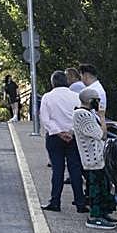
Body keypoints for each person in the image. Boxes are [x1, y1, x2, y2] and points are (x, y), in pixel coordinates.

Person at [38, 70, 85, 213]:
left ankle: (55, 201)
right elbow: (80, 116)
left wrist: (59, 132)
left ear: (53, 83)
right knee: (75, 170)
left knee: (57, 170)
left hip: (54, 138)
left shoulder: (47, 97)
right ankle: (80, 203)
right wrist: (70, 132)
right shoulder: (76, 97)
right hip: (74, 137)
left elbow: (45, 119)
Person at [73, 87, 115, 229]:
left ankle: (102, 213)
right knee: (96, 188)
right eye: (97, 100)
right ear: (91, 101)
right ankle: (95, 216)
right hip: (93, 159)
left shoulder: (86, 114)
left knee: (103, 186)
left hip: (97, 158)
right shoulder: (82, 115)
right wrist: (102, 116)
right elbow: (101, 135)